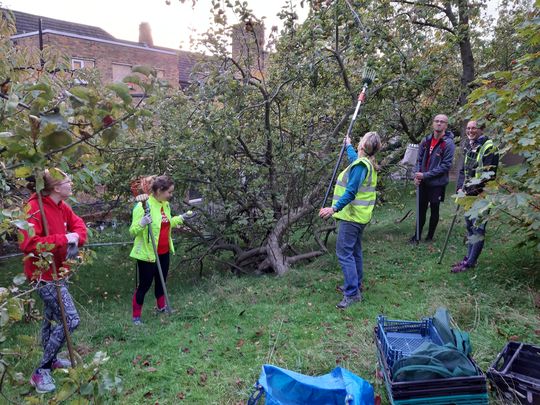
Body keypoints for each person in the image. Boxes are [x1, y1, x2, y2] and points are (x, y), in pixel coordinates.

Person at [19, 169, 87, 394]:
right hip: (42, 275)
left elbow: (79, 226)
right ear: (56, 188)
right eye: (68, 182)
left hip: (59, 272)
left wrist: (75, 239)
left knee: (50, 318)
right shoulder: (33, 209)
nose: (72, 184)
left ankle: (54, 359)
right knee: (70, 319)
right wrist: (62, 240)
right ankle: (41, 370)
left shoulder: (61, 206)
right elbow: (28, 244)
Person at [320, 132, 381, 309]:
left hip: (351, 217)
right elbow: (355, 160)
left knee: (344, 253)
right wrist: (348, 145)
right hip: (360, 216)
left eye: (360, 140)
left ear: (363, 145)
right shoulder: (365, 163)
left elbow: (351, 192)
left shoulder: (361, 166)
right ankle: (355, 283)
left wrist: (333, 209)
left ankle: (352, 293)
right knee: (355, 251)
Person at [130, 175, 184, 325]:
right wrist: (142, 223)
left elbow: (166, 223)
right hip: (148, 253)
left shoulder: (165, 204)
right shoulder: (143, 206)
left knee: (161, 281)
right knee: (145, 285)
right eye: (169, 192)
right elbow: (133, 231)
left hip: (164, 251)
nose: (171, 195)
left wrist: (181, 218)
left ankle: (161, 307)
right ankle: (136, 317)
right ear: (160, 190)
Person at [452, 121, 498, 273]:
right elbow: (463, 170)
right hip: (468, 195)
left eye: (474, 128)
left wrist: (469, 191)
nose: (471, 130)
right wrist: (459, 187)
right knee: (470, 227)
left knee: (478, 230)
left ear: (481, 129)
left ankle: (470, 263)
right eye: (468, 128)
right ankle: (468, 259)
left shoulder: (488, 147)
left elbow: (487, 176)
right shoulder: (470, 145)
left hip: (482, 195)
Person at [410, 114, 456, 242]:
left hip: (437, 183)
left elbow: (445, 166)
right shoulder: (426, 140)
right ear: (433, 123)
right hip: (423, 182)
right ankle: (416, 236)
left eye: (442, 122)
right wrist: (417, 174)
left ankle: (430, 237)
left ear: (446, 125)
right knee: (421, 209)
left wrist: (425, 175)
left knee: (434, 209)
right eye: (437, 121)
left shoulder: (448, 144)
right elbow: (419, 160)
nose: (439, 123)